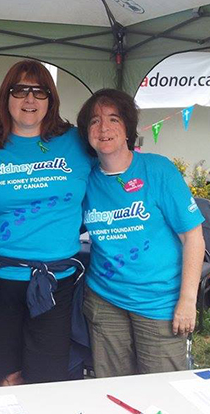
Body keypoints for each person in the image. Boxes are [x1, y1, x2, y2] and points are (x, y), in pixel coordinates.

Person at [0, 59, 92, 385]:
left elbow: (116, 168)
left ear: (51, 100)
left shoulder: (77, 143)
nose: (30, 100)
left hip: (56, 282)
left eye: (40, 91)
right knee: (8, 376)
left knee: (48, 376)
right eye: (20, 90)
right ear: (6, 97)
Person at [76, 88, 205, 377]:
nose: (104, 128)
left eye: (114, 119)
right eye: (94, 121)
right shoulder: (86, 179)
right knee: (113, 389)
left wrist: (187, 299)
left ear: (128, 128)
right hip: (105, 300)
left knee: (163, 392)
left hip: (159, 302)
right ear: (86, 132)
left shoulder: (158, 170)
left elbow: (193, 237)